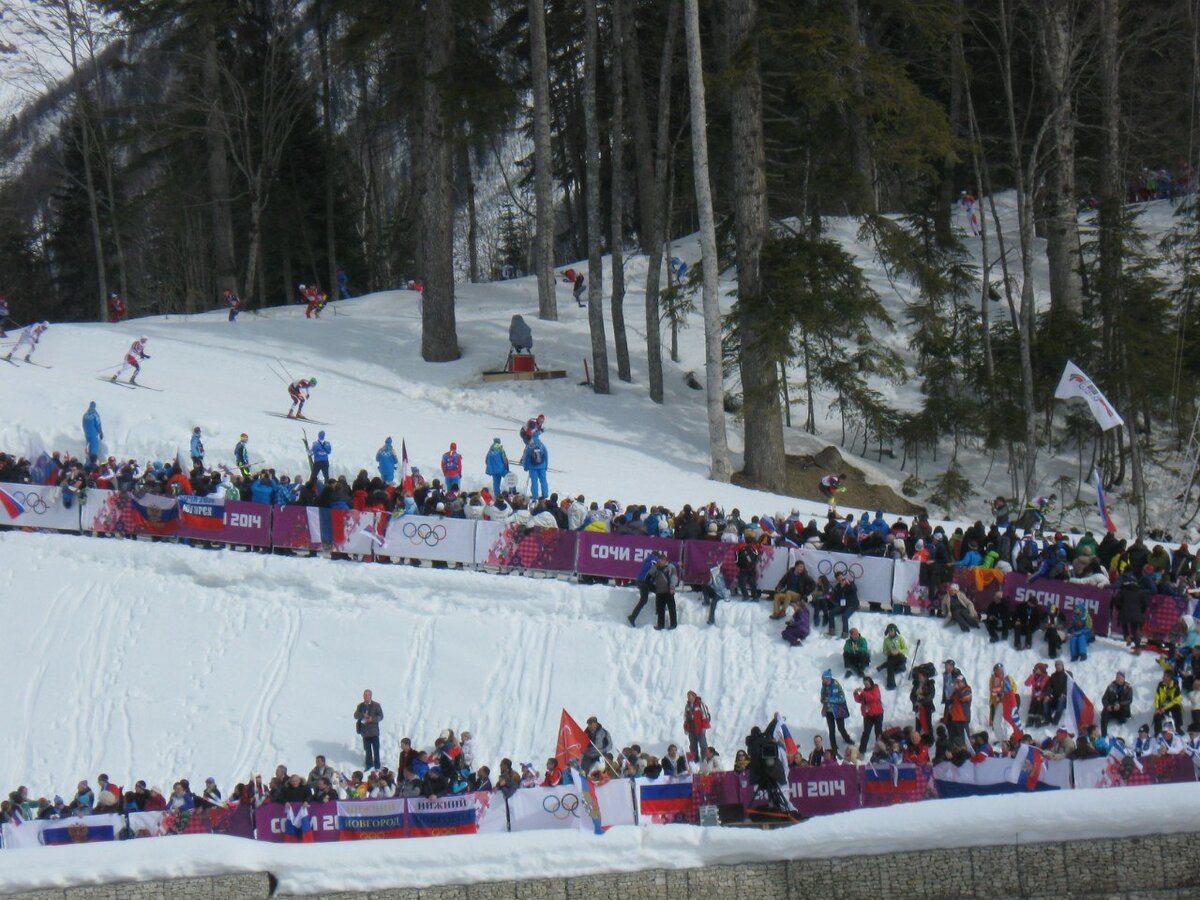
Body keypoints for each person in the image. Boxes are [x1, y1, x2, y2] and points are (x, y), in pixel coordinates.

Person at [820, 670, 853, 752]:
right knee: (831, 729)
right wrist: (823, 701)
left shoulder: (836, 685)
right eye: (823, 679)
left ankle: (847, 739)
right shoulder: (824, 687)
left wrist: (830, 699)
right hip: (829, 711)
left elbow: (842, 698)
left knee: (841, 727)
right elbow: (822, 697)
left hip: (838, 710)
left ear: (829, 678)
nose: (823, 680)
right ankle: (833, 746)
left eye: (824, 679)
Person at [627, 551, 659, 627]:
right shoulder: (653, 562)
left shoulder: (649, 560)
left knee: (657, 593)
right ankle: (632, 617)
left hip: (642, 581)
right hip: (644, 582)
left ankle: (632, 617)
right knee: (644, 600)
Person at [354, 689, 384, 771]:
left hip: (374, 731)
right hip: (365, 731)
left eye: (367, 695)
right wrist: (362, 714)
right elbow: (355, 715)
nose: (365, 696)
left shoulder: (376, 705)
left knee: (376, 749)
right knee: (367, 750)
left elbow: (381, 716)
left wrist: (372, 719)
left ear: (371, 696)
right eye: (364, 695)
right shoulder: (360, 706)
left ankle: (377, 765)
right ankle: (369, 764)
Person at [854, 676, 885, 755]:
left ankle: (880, 748)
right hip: (868, 715)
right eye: (864, 684)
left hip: (878, 714)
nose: (865, 685)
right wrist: (855, 693)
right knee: (866, 732)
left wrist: (864, 693)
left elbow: (874, 698)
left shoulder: (875, 688)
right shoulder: (864, 691)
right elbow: (859, 699)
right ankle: (862, 750)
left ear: (871, 682)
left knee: (878, 732)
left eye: (867, 683)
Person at [650, 555, 679, 630]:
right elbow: (651, 574)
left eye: (661, 560)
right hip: (659, 591)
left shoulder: (671, 567)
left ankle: (673, 624)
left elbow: (674, 577)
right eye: (658, 560)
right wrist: (655, 566)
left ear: (665, 560)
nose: (659, 562)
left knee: (671, 608)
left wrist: (672, 586)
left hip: (668, 591)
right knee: (660, 610)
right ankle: (660, 625)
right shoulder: (657, 568)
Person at [1101, 670, 1133, 737]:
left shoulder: (1128, 687)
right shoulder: (1110, 686)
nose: (1117, 679)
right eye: (1117, 677)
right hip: (1112, 708)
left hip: (1121, 709)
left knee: (1125, 707)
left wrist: (1120, 704)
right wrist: (1107, 706)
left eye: (1119, 677)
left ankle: (1122, 723)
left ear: (1123, 678)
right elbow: (1104, 698)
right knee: (1104, 711)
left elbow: (1129, 700)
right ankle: (1104, 734)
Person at [828, 571, 859, 637]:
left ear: (843, 576)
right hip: (843, 605)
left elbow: (854, 590)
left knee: (844, 616)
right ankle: (831, 630)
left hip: (852, 605)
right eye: (838, 578)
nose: (840, 579)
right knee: (831, 613)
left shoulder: (850, 582)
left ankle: (845, 633)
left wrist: (849, 584)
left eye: (841, 577)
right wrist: (841, 588)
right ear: (837, 579)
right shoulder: (838, 586)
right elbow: (835, 595)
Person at [878, 622, 908, 689]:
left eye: (892, 630)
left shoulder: (900, 638)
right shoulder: (886, 640)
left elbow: (906, 649)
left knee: (897, 661)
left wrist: (898, 651)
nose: (890, 632)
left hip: (900, 656)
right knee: (890, 667)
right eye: (889, 631)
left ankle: (884, 665)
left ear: (895, 630)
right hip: (891, 657)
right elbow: (884, 651)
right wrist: (888, 652)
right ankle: (891, 685)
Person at [946, 673, 973, 748]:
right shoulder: (956, 691)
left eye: (959, 682)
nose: (957, 684)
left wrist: (957, 690)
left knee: (964, 738)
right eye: (956, 682)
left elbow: (963, 698)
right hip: (955, 718)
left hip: (963, 718)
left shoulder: (968, 690)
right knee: (953, 737)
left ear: (963, 682)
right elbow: (951, 700)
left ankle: (967, 750)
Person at [1154, 669, 1183, 735]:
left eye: (1165, 676)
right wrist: (1157, 708)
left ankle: (1178, 727)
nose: (1163, 678)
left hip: (1172, 704)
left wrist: (1165, 707)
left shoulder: (1175, 685)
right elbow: (1157, 697)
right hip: (1163, 705)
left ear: (1169, 678)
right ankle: (1157, 732)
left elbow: (1177, 699)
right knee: (1157, 715)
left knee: (1177, 708)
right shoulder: (1161, 685)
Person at [911, 664, 936, 739]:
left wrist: (921, 701)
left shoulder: (930, 684)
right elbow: (912, 695)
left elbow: (931, 696)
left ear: (925, 676)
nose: (919, 677)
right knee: (918, 724)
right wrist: (915, 701)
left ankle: (930, 738)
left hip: (927, 707)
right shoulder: (916, 685)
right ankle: (918, 739)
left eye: (921, 675)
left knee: (927, 723)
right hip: (918, 707)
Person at [683, 691, 711, 760]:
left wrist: (704, 727)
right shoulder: (687, 706)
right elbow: (685, 717)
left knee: (703, 745)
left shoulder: (700, 704)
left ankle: (705, 759)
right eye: (688, 697)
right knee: (693, 745)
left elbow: (705, 715)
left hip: (700, 728)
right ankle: (694, 760)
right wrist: (686, 728)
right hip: (691, 729)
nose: (689, 698)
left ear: (694, 696)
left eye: (690, 696)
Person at [522, 434, 549, 500]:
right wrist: (546, 466)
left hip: (532, 467)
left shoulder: (530, 445)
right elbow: (546, 455)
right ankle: (545, 494)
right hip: (542, 466)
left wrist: (525, 466)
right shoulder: (541, 445)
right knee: (543, 480)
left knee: (534, 481)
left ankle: (535, 496)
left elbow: (526, 457)